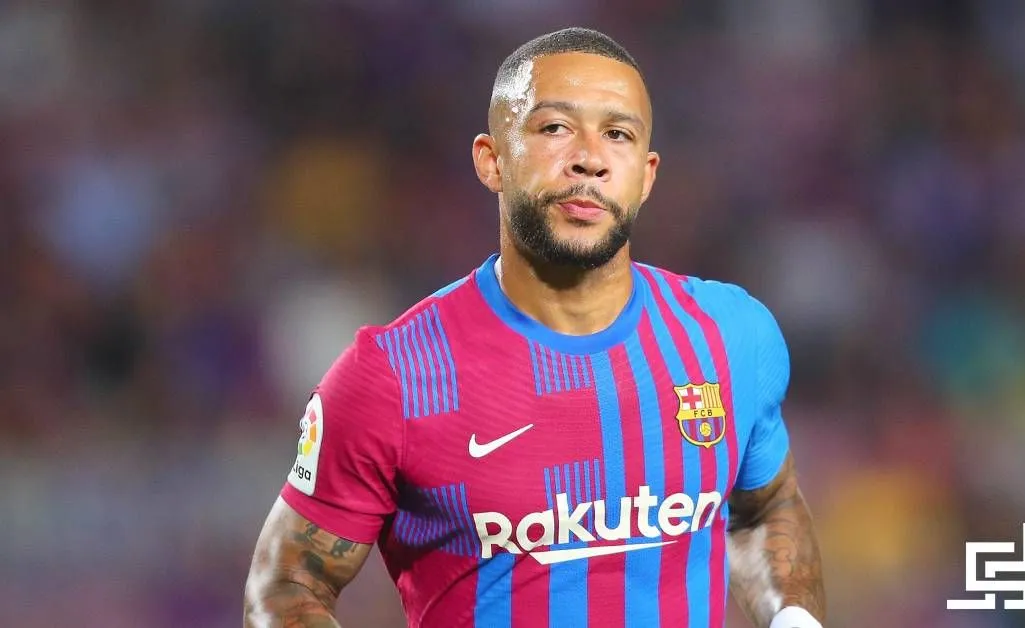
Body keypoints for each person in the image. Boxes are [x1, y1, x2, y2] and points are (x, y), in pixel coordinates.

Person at [244, 27, 825, 628]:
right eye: (555, 128)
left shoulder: (731, 338)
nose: (590, 158)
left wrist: (793, 619)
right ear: (491, 160)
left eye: (618, 134)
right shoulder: (395, 374)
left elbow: (765, 509)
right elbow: (288, 583)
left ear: (647, 175)